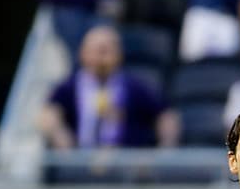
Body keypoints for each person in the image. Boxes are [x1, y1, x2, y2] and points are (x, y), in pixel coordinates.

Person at [40, 25, 180, 151]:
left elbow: (166, 116)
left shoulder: (134, 86)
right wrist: (61, 138)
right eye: (96, 51)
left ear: (119, 54)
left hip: (125, 167)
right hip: (81, 164)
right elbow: (48, 113)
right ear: (83, 53)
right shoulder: (70, 87)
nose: (101, 58)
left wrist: (164, 151)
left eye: (106, 50)